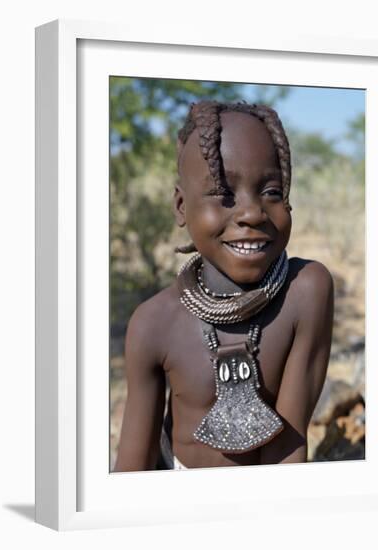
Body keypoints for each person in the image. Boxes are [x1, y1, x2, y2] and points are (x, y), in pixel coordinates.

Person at [113, 100, 334, 471]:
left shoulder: (305, 291)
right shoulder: (154, 323)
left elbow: (288, 453)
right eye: (224, 194)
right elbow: (133, 467)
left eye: (272, 192)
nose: (251, 213)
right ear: (181, 207)